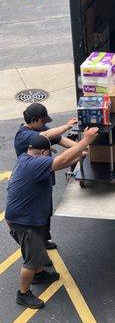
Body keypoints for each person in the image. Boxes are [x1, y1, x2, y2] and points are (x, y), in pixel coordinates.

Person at [5, 128, 99, 309]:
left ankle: (40, 275)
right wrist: (85, 141)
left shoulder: (26, 159)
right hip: (25, 223)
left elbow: (59, 164)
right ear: (42, 153)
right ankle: (23, 294)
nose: (49, 158)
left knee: (37, 248)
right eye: (48, 154)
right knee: (30, 259)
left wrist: (80, 155)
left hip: (26, 218)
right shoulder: (34, 165)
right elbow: (61, 160)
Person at [14, 103, 79, 251]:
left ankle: (44, 239)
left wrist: (81, 145)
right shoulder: (23, 135)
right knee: (36, 215)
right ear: (34, 120)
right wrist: (67, 126)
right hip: (32, 183)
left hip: (45, 178)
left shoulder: (40, 128)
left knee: (45, 212)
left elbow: (60, 139)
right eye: (43, 121)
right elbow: (46, 136)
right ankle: (38, 252)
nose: (45, 124)